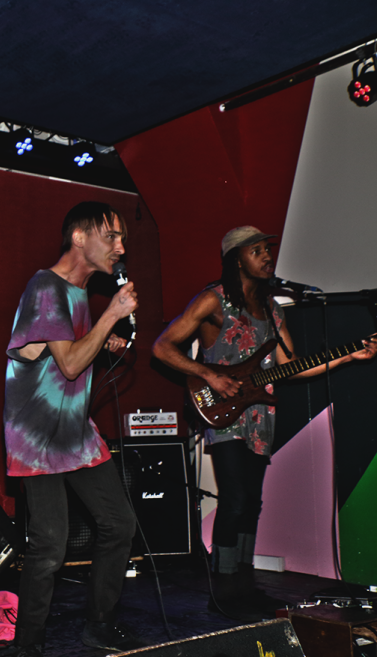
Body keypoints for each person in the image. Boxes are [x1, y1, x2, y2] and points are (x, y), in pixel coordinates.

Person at [152, 225, 376, 621]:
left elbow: (291, 367)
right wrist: (209, 375)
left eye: (266, 250)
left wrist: (347, 356)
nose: (267, 256)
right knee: (235, 499)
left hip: (260, 417)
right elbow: (162, 347)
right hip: (223, 412)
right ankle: (222, 588)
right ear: (236, 259)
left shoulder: (273, 310)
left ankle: (243, 584)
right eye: (256, 251)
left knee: (251, 503)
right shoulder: (213, 299)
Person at [4, 201, 144, 657]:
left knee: (119, 523)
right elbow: (67, 365)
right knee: (50, 544)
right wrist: (111, 317)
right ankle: (28, 647)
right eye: (112, 236)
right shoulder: (47, 286)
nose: (120, 247)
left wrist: (103, 339)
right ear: (80, 238)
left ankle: (99, 624)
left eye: (123, 238)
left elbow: (64, 355)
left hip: (75, 431)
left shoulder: (79, 293)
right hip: (37, 435)